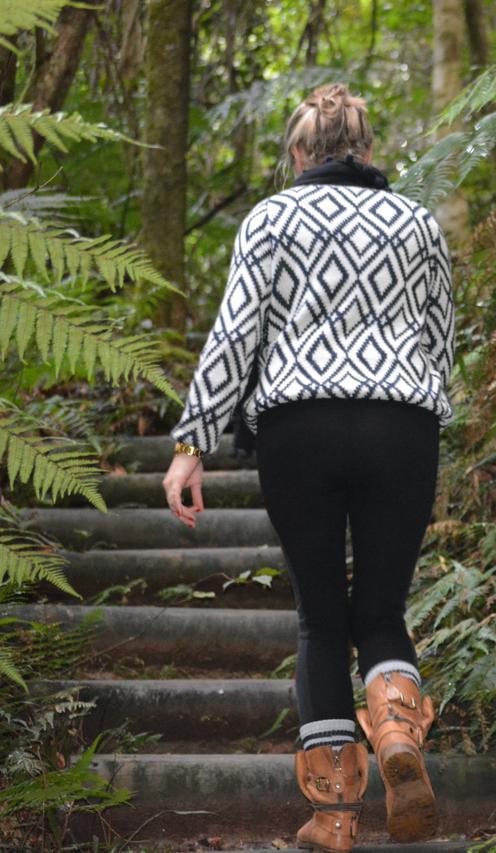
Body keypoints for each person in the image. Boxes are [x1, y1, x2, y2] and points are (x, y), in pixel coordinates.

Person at [161, 82, 455, 852]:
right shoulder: (417, 222)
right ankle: (396, 728)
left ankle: (333, 820)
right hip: (402, 425)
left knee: (321, 618)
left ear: (298, 154)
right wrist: (423, 416)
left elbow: (235, 336)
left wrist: (193, 443)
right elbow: (440, 343)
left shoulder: (271, 218)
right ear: (368, 151)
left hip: (299, 427)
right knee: (382, 609)